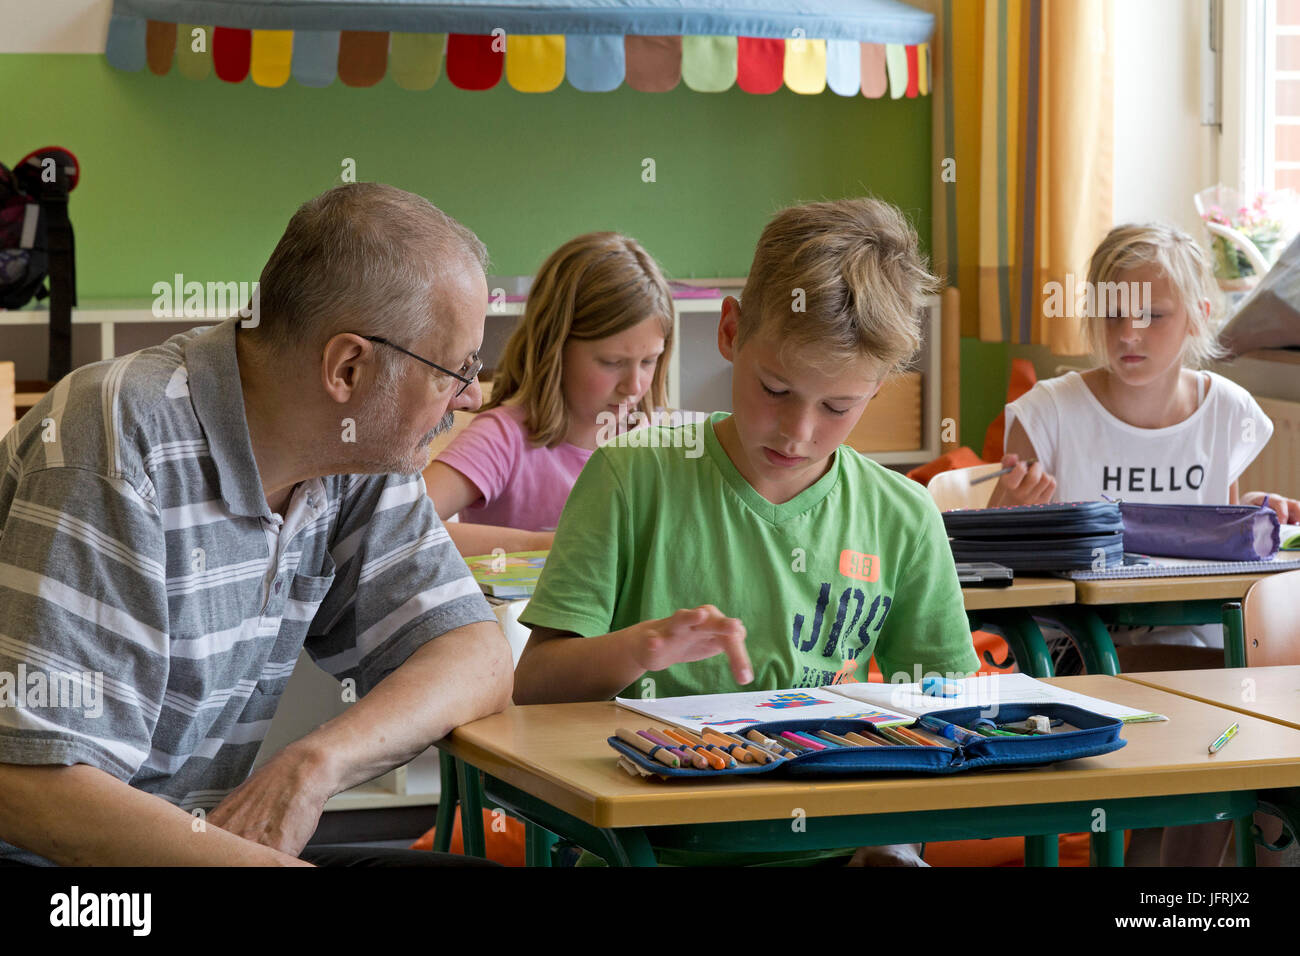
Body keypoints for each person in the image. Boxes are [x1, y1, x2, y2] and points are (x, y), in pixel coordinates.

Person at [0, 183, 513, 866]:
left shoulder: (356, 455)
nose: (472, 396)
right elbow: (30, 791)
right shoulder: (115, 436)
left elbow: (475, 655)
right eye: (457, 369)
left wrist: (315, 764)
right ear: (348, 368)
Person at [513, 198, 979, 866]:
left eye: (839, 406)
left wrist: (890, 837)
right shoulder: (631, 475)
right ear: (730, 332)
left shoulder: (903, 517)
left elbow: (953, 715)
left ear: (877, 388)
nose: (798, 432)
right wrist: (642, 647)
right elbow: (536, 685)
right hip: (653, 853)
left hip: (834, 852)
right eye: (776, 389)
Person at [424, 232, 673, 557]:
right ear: (555, 349)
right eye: (613, 362)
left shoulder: (651, 437)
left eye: (649, 361)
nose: (635, 386)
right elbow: (404, 523)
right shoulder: (505, 438)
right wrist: (550, 547)